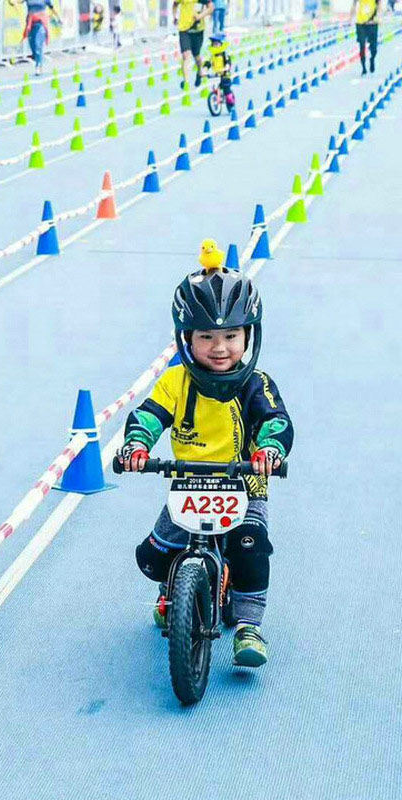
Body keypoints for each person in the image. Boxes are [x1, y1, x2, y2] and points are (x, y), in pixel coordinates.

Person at [117, 241, 294, 668]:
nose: (220, 347)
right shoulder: (175, 382)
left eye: (231, 336)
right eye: (207, 337)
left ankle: (249, 625)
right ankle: (171, 590)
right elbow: (150, 415)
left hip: (244, 482)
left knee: (250, 548)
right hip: (190, 482)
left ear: (248, 335)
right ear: (186, 338)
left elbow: (276, 420)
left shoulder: (256, 383)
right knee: (154, 556)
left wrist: (269, 449)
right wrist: (137, 445)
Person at [12, 0, 61, 76]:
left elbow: (51, 7)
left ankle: (38, 66)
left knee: (38, 44)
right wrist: (14, 3)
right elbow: (18, 1)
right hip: (30, 22)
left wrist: (58, 17)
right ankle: (37, 58)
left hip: (41, 22)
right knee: (32, 45)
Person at [173, 0, 213, 90]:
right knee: (185, 55)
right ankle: (186, 82)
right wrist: (174, 16)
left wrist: (200, 16)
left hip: (198, 31)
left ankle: (199, 72)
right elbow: (175, 4)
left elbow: (211, 7)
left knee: (196, 56)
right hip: (184, 30)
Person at [203, 32, 234, 109]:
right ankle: (216, 97)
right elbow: (208, 63)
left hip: (225, 75)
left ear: (221, 44)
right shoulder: (212, 55)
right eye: (214, 44)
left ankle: (231, 101)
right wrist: (204, 69)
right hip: (216, 75)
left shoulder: (224, 54)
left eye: (217, 44)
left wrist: (226, 67)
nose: (215, 46)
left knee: (226, 89)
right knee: (214, 87)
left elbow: (228, 62)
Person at [351, 0, 381, 75]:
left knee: (374, 48)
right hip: (361, 24)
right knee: (362, 45)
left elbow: (379, 6)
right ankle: (363, 67)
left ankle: (372, 59)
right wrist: (351, 17)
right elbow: (354, 5)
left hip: (372, 24)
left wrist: (379, 17)